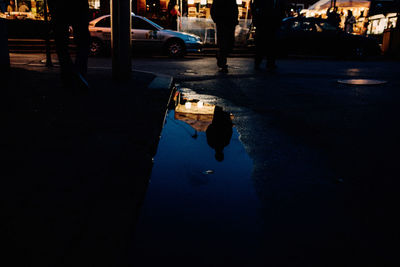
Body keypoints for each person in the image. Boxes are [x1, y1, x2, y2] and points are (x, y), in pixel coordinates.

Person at [47, 0, 90, 90]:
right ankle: (78, 73)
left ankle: (69, 75)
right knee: (82, 41)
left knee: (61, 45)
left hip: (59, 8)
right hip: (77, 7)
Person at [252, 0, 285, 72]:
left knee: (269, 46)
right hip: (265, 25)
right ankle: (262, 63)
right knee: (263, 46)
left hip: (269, 25)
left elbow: (254, 9)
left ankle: (267, 63)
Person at [211, 0, 238, 73]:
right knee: (224, 44)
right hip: (223, 23)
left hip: (228, 23)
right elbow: (213, 10)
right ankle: (223, 63)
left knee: (229, 44)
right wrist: (216, 20)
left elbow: (235, 9)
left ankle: (220, 57)